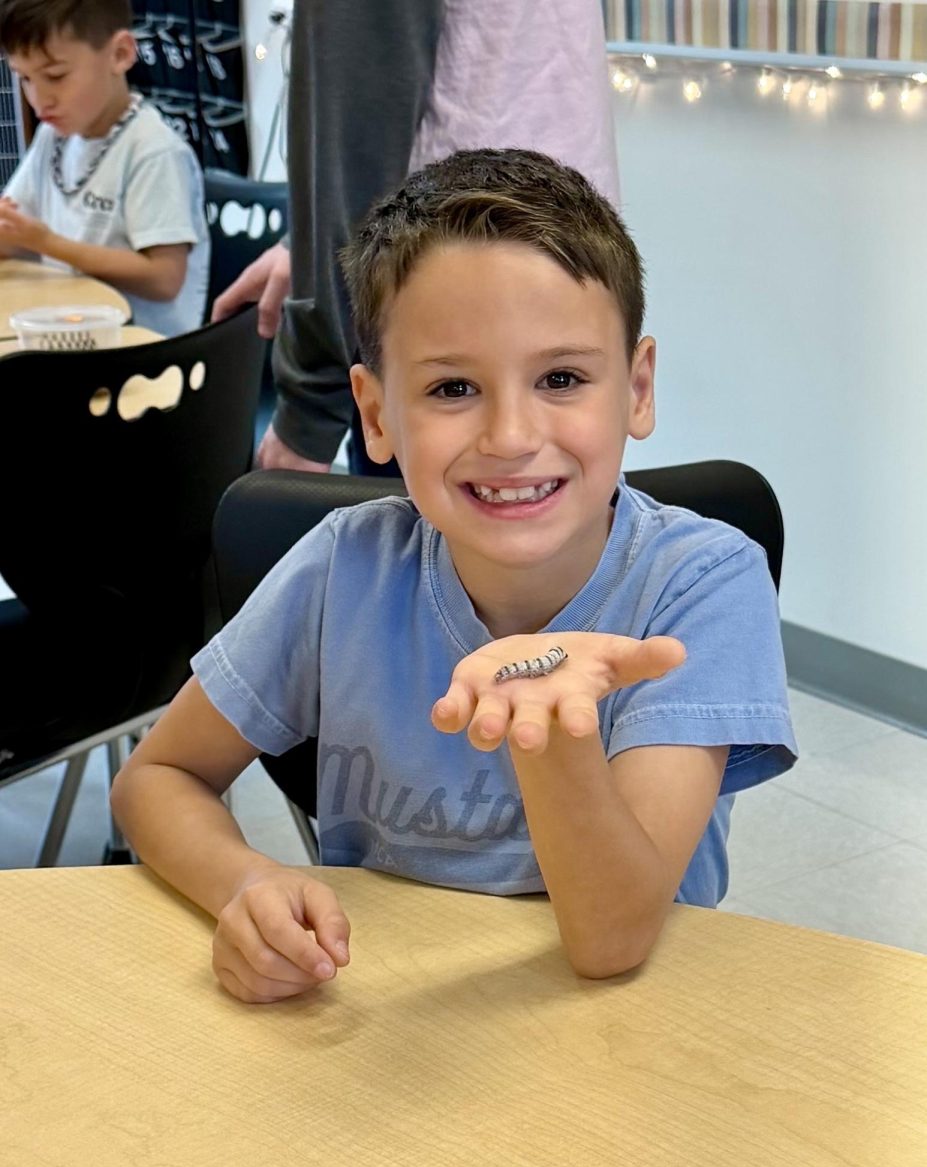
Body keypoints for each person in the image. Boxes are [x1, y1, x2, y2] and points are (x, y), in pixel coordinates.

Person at [112, 149, 797, 1004]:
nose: (510, 435)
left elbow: (612, 938)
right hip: (395, 1026)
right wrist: (244, 884)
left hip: (628, 1033)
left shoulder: (700, 585)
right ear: (376, 414)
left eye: (560, 378)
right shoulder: (342, 566)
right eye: (452, 387)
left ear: (637, 388)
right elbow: (158, 778)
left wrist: (547, 715)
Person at [212, 0, 620, 475]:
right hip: (575, 260)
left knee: (443, 539)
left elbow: (362, 114)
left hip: (441, 286)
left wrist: (309, 410)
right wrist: (301, 246)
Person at [0, 0, 209, 338]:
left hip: (145, 351)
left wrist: (46, 242)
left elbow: (164, 278)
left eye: (56, 76)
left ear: (120, 54)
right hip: (72, 330)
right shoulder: (52, 136)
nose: (39, 98)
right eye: (25, 78)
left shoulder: (153, 151)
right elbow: (15, 230)